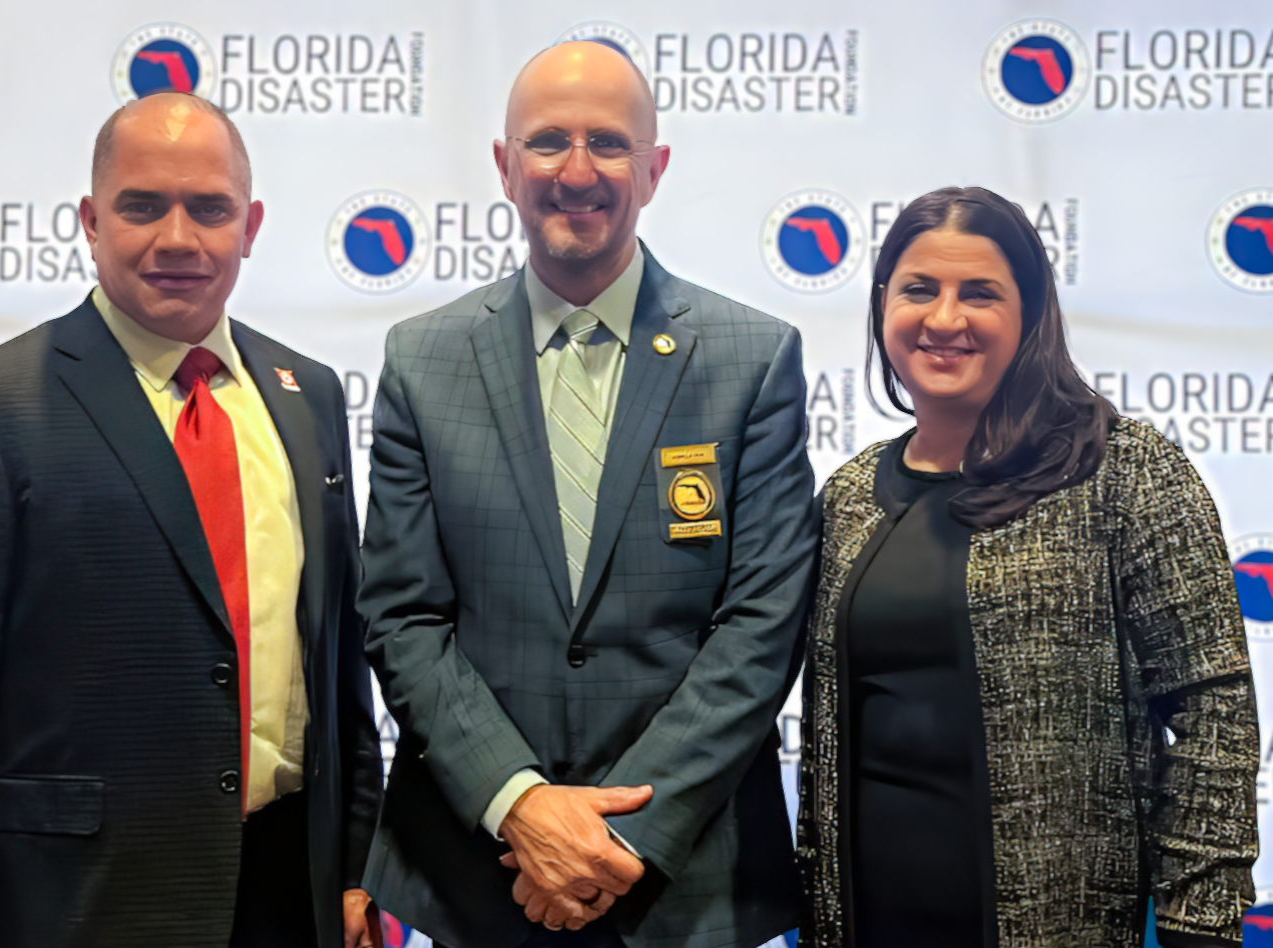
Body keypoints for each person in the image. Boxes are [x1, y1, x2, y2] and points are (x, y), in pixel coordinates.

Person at [0, 92, 383, 948]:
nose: (177, 238)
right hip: (81, 906)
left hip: (291, 894)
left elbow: (336, 663)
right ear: (90, 220)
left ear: (250, 225)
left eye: (209, 209)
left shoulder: (310, 394)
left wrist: (358, 864)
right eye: (142, 207)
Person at [356, 40, 819, 948]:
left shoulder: (752, 357)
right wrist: (522, 806)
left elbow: (763, 623)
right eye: (546, 143)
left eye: (608, 144)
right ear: (503, 165)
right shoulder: (423, 359)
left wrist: (621, 836)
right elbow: (404, 617)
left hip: (683, 883)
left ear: (654, 168)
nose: (577, 173)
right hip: (474, 875)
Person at [796, 186, 1258, 948]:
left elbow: (1214, 707)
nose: (944, 319)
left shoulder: (1126, 471)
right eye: (920, 290)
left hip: (1061, 926)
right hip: (866, 922)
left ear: (1030, 314)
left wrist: (1197, 920)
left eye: (979, 293)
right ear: (884, 306)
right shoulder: (849, 494)